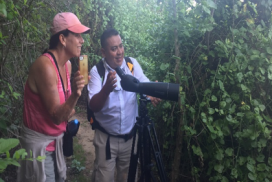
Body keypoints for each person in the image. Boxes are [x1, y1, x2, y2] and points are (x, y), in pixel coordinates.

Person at [17, 12, 90, 182]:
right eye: (77, 35)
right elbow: (57, 117)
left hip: (55, 143)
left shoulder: (67, 66)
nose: (82, 40)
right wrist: (76, 93)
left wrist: (71, 103)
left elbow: (64, 112)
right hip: (39, 147)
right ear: (63, 39)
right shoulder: (45, 66)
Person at [87, 28, 160, 182]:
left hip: (130, 139)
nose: (119, 52)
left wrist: (152, 93)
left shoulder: (131, 65)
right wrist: (106, 89)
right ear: (103, 52)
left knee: (128, 178)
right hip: (106, 140)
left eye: (121, 46)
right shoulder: (97, 72)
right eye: (114, 48)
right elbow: (94, 106)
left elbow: (143, 83)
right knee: (103, 178)